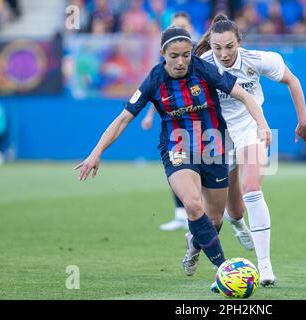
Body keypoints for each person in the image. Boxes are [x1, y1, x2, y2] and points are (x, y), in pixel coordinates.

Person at [75, 26, 272, 287]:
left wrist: (261, 124)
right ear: (163, 54)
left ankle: (194, 243)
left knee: (213, 220)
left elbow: (243, 95)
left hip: (213, 149)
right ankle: (224, 270)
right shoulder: (154, 79)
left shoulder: (203, 70)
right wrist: (95, 154)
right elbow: (123, 119)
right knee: (192, 204)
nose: (181, 62)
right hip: (177, 149)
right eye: (174, 56)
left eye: (186, 55)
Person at [195, 14, 306, 287]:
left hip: (252, 127)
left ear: (239, 41)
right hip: (217, 135)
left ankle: (265, 267)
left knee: (252, 188)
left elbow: (293, 81)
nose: (224, 54)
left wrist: (303, 120)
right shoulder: (201, 65)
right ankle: (237, 224)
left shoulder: (259, 59)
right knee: (234, 211)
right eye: (217, 48)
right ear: (210, 46)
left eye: (229, 46)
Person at [140, 12, 199, 232]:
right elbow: (157, 90)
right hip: (177, 124)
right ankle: (180, 214)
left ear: (191, 27)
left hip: (203, 121)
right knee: (177, 166)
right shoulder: (170, 56)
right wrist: (148, 115)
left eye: (183, 25)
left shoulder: (202, 52)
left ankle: (209, 211)